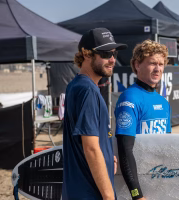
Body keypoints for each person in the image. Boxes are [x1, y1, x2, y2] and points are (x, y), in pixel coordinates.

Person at [62, 28, 127, 200]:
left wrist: (106, 156)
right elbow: (90, 147)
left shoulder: (76, 85)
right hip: (89, 193)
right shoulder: (87, 90)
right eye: (105, 53)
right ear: (86, 54)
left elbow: (87, 140)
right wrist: (108, 197)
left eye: (114, 53)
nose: (112, 59)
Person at [114, 40, 171, 200]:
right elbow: (125, 150)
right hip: (137, 187)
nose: (158, 69)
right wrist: (136, 194)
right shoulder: (130, 98)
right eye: (152, 63)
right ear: (137, 65)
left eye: (161, 64)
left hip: (158, 181)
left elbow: (166, 148)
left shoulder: (163, 103)